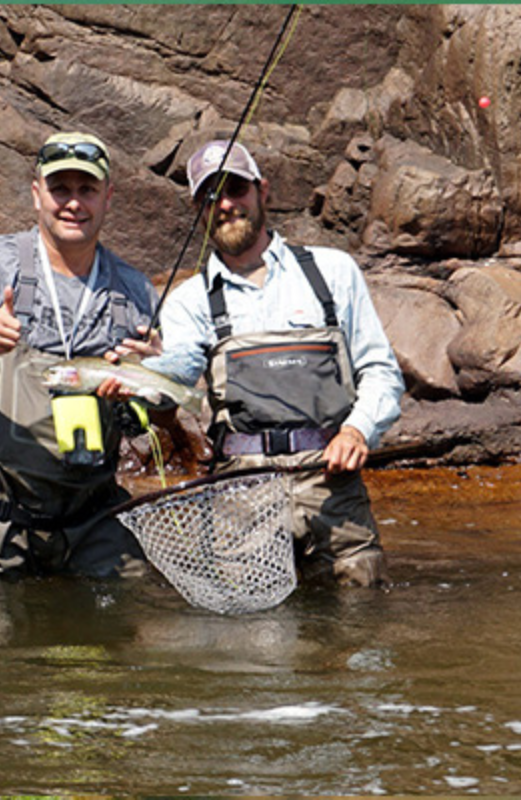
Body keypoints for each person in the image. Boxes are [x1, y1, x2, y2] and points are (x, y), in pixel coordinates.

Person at [143, 139, 405, 587]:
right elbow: (177, 376)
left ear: (263, 191)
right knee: (255, 648)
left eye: (236, 189)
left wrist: (358, 429)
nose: (225, 204)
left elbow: (380, 370)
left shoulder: (333, 271)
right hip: (239, 495)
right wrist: (142, 379)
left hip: (332, 483)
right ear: (197, 210)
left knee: (362, 634)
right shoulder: (188, 300)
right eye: (210, 196)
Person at [0, 131, 161, 581]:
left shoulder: (135, 290)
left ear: (108, 198)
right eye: (60, 189)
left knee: (120, 636)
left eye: (86, 190)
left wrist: (149, 376)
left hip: (92, 516)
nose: (73, 203)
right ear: (36, 195)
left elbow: (150, 417)